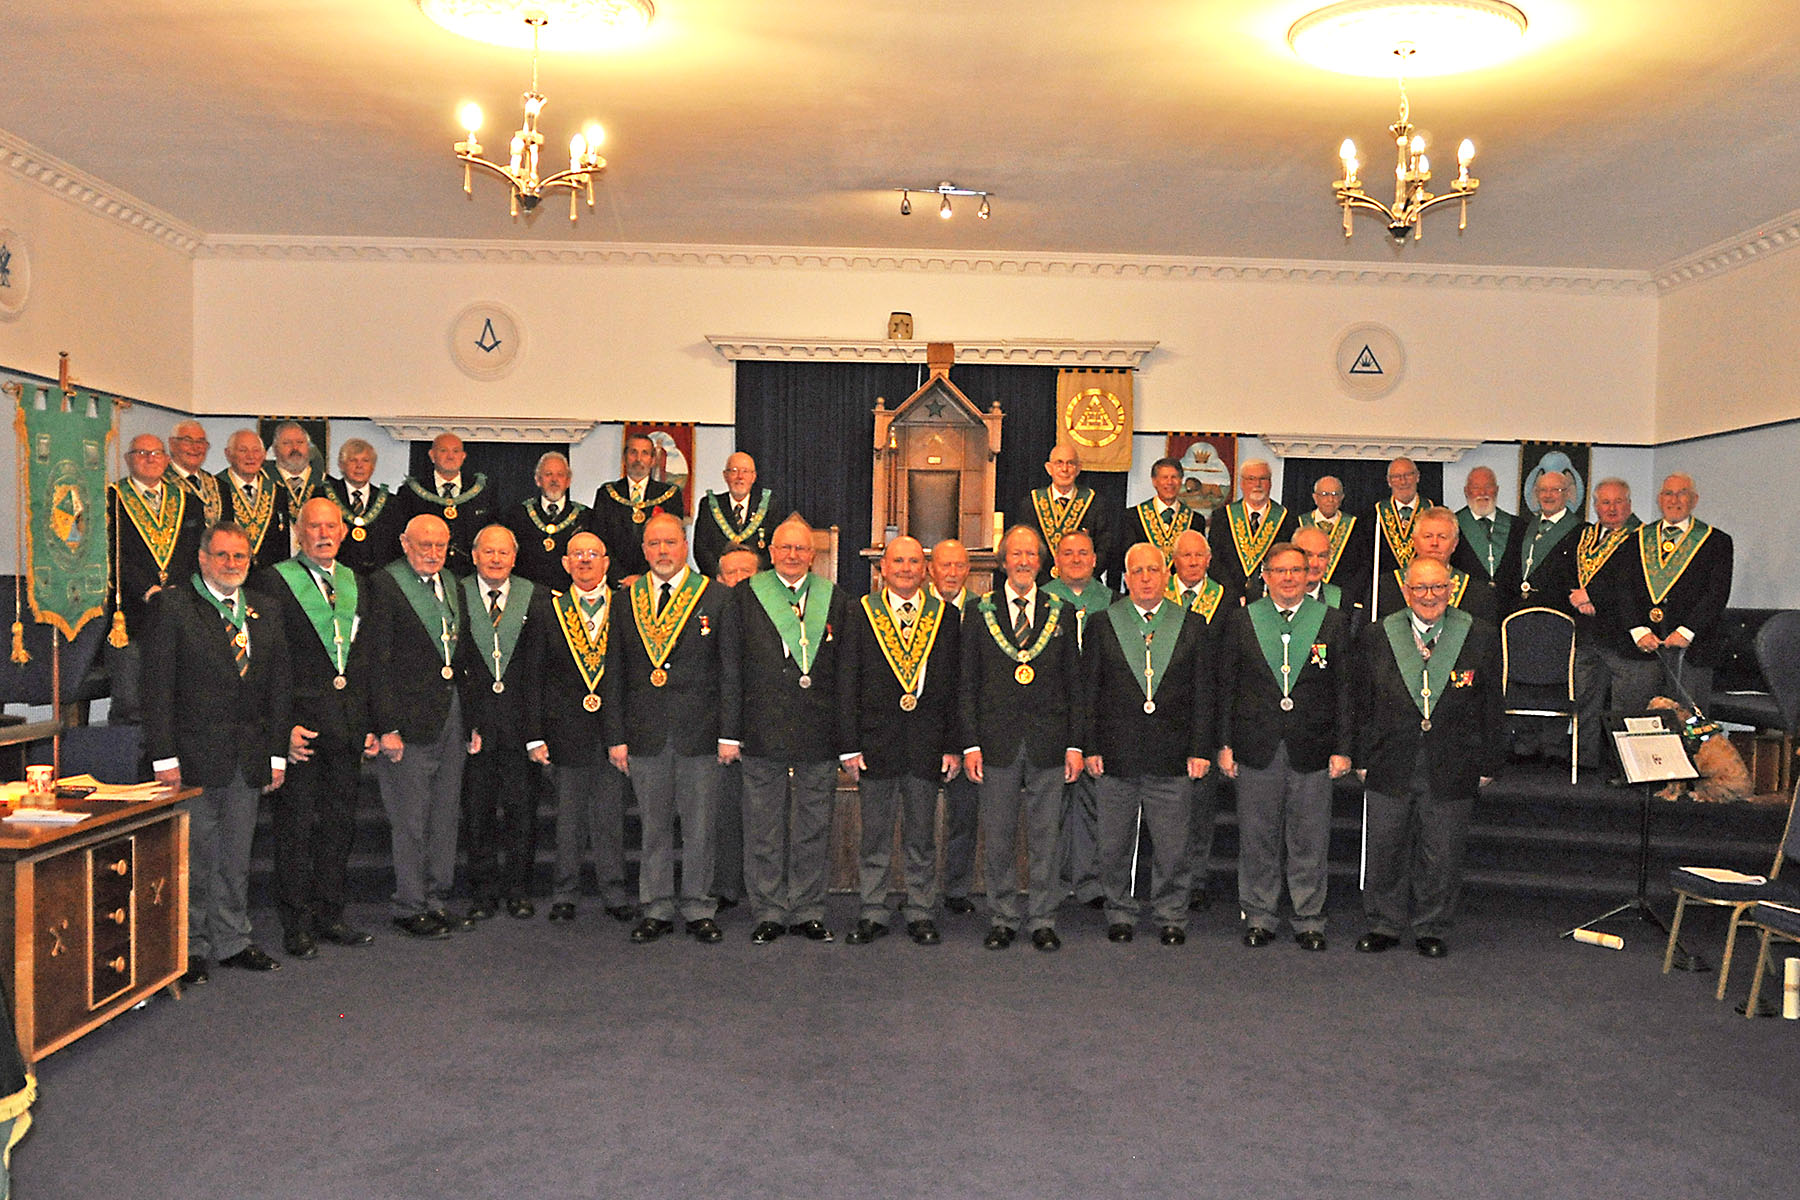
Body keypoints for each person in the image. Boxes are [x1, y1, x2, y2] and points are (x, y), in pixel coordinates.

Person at [143, 521, 291, 981]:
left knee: (235, 856)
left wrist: (277, 755)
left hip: (248, 759)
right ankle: (188, 948)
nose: (232, 564)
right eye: (223, 556)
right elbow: (157, 689)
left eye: (240, 556)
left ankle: (233, 940)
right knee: (195, 857)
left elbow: (279, 689)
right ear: (204, 558)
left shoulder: (264, 609)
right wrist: (164, 757)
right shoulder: (173, 606)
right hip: (191, 759)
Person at [1355, 557, 1503, 958]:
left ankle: (1431, 927)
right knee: (1385, 846)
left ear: (1451, 587)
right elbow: (1361, 703)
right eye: (1420, 588)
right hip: (1389, 758)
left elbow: (1492, 705)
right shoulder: (1377, 635)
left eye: (1437, 587)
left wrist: (1489, 762)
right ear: (1406, 591)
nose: (1429, 596)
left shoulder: (1479, 635)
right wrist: (1360, 754)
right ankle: (1383, 924)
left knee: (1442, 850)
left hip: (1453, 759)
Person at [1215, 544, 1353, 950]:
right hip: (1256, 746)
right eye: (1280, 571)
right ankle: (1259, 915)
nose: (1289, 578)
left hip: (1314, 747)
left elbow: (1345, 690)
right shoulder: (1242, 621)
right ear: (1265, 575)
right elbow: (1227, 687)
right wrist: (1224, 744)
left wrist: (1344, 746)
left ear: (1310, 574)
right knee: (1257, 838)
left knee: (1310, 839)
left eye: (1297, 570)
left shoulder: (1331, 621)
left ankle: (1309, 918)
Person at [609, 513, 738, 945]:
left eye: (670, 542)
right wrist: (616, 736)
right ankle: (658, 906)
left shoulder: (716, 598)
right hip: (644, 732)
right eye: (653, 544)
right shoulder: (626, 599)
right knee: (654, 826)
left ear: (684, 546)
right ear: (643, 550)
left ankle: (699, 905)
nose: (662, 551)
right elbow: (615, 672)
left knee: (701, 826)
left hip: (701, 733)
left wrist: (728, 733)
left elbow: (730, 672)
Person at [729, 516, 856, 944]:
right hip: (762, 729)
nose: (792, 555)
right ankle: (767, 909)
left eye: (801, 549)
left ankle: (807, 909)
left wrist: (845, 739)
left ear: (813, 556)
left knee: (812, 826)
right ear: (771, 552)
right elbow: (733, 669)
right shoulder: (746, 597)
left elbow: (844, 675)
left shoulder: (835, 599)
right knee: (763, 825)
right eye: (785, 548)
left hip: (818, 733)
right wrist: (731, 731)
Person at [959, 525, 1086, 952]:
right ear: (1003, 560)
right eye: (1016, 554)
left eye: (1032, 553)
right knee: (997, 836)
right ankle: (1003, 917)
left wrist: (1075, 744)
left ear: (1042, 561)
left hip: (1050, 743)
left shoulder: (1061, 611)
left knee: (1046, 836)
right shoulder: (980, 611)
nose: (1025, 561)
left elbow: (1075, 683)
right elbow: (967, 684)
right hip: (995, 745)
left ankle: (1044, 918)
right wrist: (971, 743)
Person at [1084, 543, 1213, 946]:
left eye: (1152, 570)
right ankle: (1119, 911)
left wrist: (1200, 748)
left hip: (1173, 755)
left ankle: (1171, 914)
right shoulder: (1104, 623)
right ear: (1125, 577)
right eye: (1136, 571)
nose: (1144, 578)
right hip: (1116, 754)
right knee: (1113, 844)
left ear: (1166, 575)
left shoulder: (1192, 625)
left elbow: (1204, 694)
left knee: (1174, 846)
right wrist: (1090, 746)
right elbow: (1090, 691)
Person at [266, 497, 378, 958]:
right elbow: (269, 664)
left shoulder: (358, 583)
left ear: (344, 530)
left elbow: (368, 658)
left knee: (338, 825)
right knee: (295, 827)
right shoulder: (272, 582)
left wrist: (371, 721)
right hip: (303, 729)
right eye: (314, 526)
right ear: (299, 531)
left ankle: (330, 913)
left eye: (332, 526)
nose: (324, 533)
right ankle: (295, 921)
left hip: (348, 725)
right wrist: (282, 728)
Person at [845, 536, 961, 946]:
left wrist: (952, 744)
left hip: (927, 744)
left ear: (925, 569)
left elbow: (954, 685)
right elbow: (848, 683)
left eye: (914, 561)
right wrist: (849, 745)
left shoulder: (945, 617)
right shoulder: (860, 613)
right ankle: (872, 910)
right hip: (875, 743)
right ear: (882, 568)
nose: (907, 568)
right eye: (898, 561)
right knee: (874, 836)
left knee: (921, 837)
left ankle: (920, 910)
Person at [365, 514, 477, 939]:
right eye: (423, 545)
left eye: (440, 545)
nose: (433, 553)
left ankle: (437, 898)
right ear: (404, 543)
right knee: (411, 819)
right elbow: (377, 661)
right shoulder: (385, 584)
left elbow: (461, 654)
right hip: (407, 723)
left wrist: (472, 720)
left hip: (450, 715)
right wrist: (386, 725)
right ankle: (410, 904)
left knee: (445, 816)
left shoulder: (451, 581)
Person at [524, 532, 636, 924]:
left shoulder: (627, 607)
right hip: (564, 729)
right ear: (565, 563)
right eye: (577, 555)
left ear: (607, 562)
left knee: (611, 817)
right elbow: (533, 675)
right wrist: (535, 734)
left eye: (593, 554)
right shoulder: (547, 610)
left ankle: (615, 892)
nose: (585, 561)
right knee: (567, 818)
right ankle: (564, 894)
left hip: (613, 731)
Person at [458, 524, 549, 923]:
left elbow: (542, 669)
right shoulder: (455, 595)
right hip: (475, 724)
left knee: (521, 812)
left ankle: (518, 890)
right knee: (476, 812)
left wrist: (536, 730)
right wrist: (465, 722)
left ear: (515, 558)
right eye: (488, 552)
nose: (496, 559)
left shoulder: (538, 597)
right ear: (474, 555)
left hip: (521, 725)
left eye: (503, 553)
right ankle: (482, 892)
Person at [1600, 472, 1734, 715]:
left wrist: (1687, 630)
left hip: (1692, 651)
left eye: (1682, 493)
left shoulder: (1716, 542)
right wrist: (1638, 631)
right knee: (1636, 722)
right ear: (1660, 500)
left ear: (1694, 500)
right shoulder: (1636, 540)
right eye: (1668, 494)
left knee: (1689, 726)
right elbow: (1623, 590)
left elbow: (1717, 594)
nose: (1675, 500)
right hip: (1641, 649)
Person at [106, 433, 205, 722]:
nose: (150, 459)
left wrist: (179, 589)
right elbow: (111, 552)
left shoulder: (188, 502)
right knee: (131, 699)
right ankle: (128, 758)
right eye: (141, 453)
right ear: (127, 459)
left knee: (179, 696)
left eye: (157, 453)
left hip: (178, 606)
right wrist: (146, 589)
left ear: (167, 459)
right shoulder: (111, 499)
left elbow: (197, 553)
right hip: (132, 611)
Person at [1043, 530, 1112, 911]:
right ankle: (1050, 880)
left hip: (1099, 711)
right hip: (1054, 711)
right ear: (1056, 559)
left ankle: (1089, 880)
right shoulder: (1042, 598)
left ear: (1095, 559)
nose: (1076, 559)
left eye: (1083, 552)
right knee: (1051, 800)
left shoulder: (1113, 602)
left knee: (1092, 799)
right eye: (1067, 553)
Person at [1166, 529, 1229, 909]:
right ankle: (1167, 876)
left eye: (1198, 556)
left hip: (1206, 708)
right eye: (1185, 556)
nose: (1192, 562)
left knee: (1200, 805)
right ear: (1174, 560)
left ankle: (1197, 878)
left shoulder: (1223, 600)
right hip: (1164, 711)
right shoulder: (1157, 594)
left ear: (1209, 560)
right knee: (1165, 802)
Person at [1568, 478, 1641, 771]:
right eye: (1605, 503)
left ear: (1629, 504)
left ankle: (1622, 767)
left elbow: (1631, 584)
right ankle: (1586, 763)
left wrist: (1593, 597)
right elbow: (1573, 573)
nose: (1612, 509)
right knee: (1585, 701)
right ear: (1596, 506)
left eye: (1618, 501)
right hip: (1586, 632)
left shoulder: (1641, 537)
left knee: (1624, 708)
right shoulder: (1585, 535)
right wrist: (1581, 600)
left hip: (1622, 634)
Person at [928, 538, 981, 917]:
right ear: (932, 569)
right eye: (944, 565)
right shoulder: (920, 610)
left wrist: (967, 742)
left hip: (968, 732)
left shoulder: (984, 611)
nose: (951, 572)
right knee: (918, 818)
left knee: (964, 816)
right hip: (923, 729)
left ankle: (957, 888)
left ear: (969, 571)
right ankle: (918, 889)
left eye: (959, 566)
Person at [710, 544, 760, 910]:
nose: (740, 580)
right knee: (723, 813)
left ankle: (761, 887)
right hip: (716, 730)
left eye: (748, 572)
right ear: (719, 578)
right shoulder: (704, 611)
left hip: (763, 730)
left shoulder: (774, 613)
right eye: (733, 573)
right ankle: (725, 886)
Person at [1017, 440, 1118, 588]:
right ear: (1049, 468)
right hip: (1040, 585)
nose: (1065, 469)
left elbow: (1104, 548)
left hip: (1084, 585)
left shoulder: (1095, 503)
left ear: (1078, 469)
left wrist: (1080, 576)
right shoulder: (1030, 504)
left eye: (1070, 463)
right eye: (1059, 463)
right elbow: (1026, 548)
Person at [1373, 506, 1496, 625]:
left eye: (1442, 537)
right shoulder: (1383, 587)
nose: (1434, 543)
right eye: (1428, 536)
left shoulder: (1478, 593)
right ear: (1414, 541)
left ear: (1455, 544)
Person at [591, 432, 687, 585]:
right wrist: (619, 577)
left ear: (653, 460)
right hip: (615, 582)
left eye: (645, 453)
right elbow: (599, 540)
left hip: (656, 580)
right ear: (624, 458)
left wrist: (645, 577)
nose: (638, 459)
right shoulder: (607, 494)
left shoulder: (669, 495)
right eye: (633, 452)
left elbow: (672, 541)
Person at [395, 432, 493, 574]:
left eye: (455, 451)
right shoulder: (411, 491)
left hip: (470, 573)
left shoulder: (483, 490)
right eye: (443, 451)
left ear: (463, 456)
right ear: (432, 455)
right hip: (424, 570)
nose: (450, 456)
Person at [1207, 458, 1294, 605]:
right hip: (1229, 599)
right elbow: (1215, 561)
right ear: (1242, 483)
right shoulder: (1222, 517)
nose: (1257, 484)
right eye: (1251, 479)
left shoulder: (1287, 519)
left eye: (1263, 479)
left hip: (1272, 600)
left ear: (1270, 483)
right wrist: (1232, 593)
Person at [503, 451, 590, 592]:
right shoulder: (517, 515)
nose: (554, 480)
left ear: (568, 481)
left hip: (570, 596)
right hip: (526, 595)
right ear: (538, 480)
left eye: (560, 475)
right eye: (548, 474)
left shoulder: (586, 516)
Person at [1450, 466, 1525, 613]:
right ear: (1466, 491)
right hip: (1465, 609)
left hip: (1508, 609)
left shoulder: (1519, 527)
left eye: (1488, 487)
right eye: (1476, 487)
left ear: (1496, 490)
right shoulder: (1451, 525)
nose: (1482, 493)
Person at [325, 437, 402, 576]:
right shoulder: (324, 498)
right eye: (353, 460)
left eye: (365, 461)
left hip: (378, 579)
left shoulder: (391, 502)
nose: (359, 466)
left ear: (372, 466)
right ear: (341, 465)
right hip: (337, 577)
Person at [215, 428, 288, 576]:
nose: (250, 457)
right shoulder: (215, 487)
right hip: (228, 574)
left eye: (256, 451)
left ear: (264, 455)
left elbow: (282, 544)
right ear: (228, 454)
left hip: (268, 579)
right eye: (243, 451)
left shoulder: (277, 491)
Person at [694, 451, 776, 577]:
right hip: (719, 582)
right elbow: (701, 548)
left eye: (745, 471)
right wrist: (723, 576)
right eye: (734, 471)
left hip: (757, 582)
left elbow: (774, 548)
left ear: (753, 477)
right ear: (725, 476)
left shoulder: (770, 506)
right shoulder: (709, 505)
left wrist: (755, 576)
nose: (739, 477)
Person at [1366, 456, 1428, 616]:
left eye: (1408, 475)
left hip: (1426, 590)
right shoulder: (1374, 515)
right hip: (1387, 593)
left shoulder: (1434, 512)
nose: (1403, 481)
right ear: (1388, 481)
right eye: (1397, 477)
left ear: (1417, 477)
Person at [1514, 470, 1581, 614]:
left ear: (1567, 494)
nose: (1548, 495)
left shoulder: (1581, 533)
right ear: (1537, 494)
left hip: (1559, 614)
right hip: (1519, 612)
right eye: (1543, 490)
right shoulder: (1521, 528)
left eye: (1555, 490)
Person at [1296, 475, 1368, 605]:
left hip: (1341, 598)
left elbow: (1362, 567)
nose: (1330, 499)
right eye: (1324, 494)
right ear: (1315, 497)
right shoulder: (1298, 523)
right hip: (1303, 595)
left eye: (1335, 494)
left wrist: (1347, 595)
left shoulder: (1356, 527)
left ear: (1342, 497)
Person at [1127, 457, 1197, 568]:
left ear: (1181, 481)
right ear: (1154, 481)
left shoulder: (1196, 520)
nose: (1170, 482)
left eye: (1174, 477)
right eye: (1165, 477)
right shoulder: (1133, 517)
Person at [270, 420, 327, 526]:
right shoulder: (263, 483)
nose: (295, 448)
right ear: (275, 449)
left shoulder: (327, 485)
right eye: (287, 443)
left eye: (300, 442)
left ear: (308, 448)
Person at [165, 420, 222, 526]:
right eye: (187, 441)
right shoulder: (160, 483)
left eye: (200, 442)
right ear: (172, 444)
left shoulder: (221, 487)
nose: (195, 447)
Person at [1292, 525, 1350, 610]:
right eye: (1308, 555)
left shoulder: (1342, 601)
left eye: (1321, 556)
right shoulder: (1273, 597)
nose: (1315, 564)